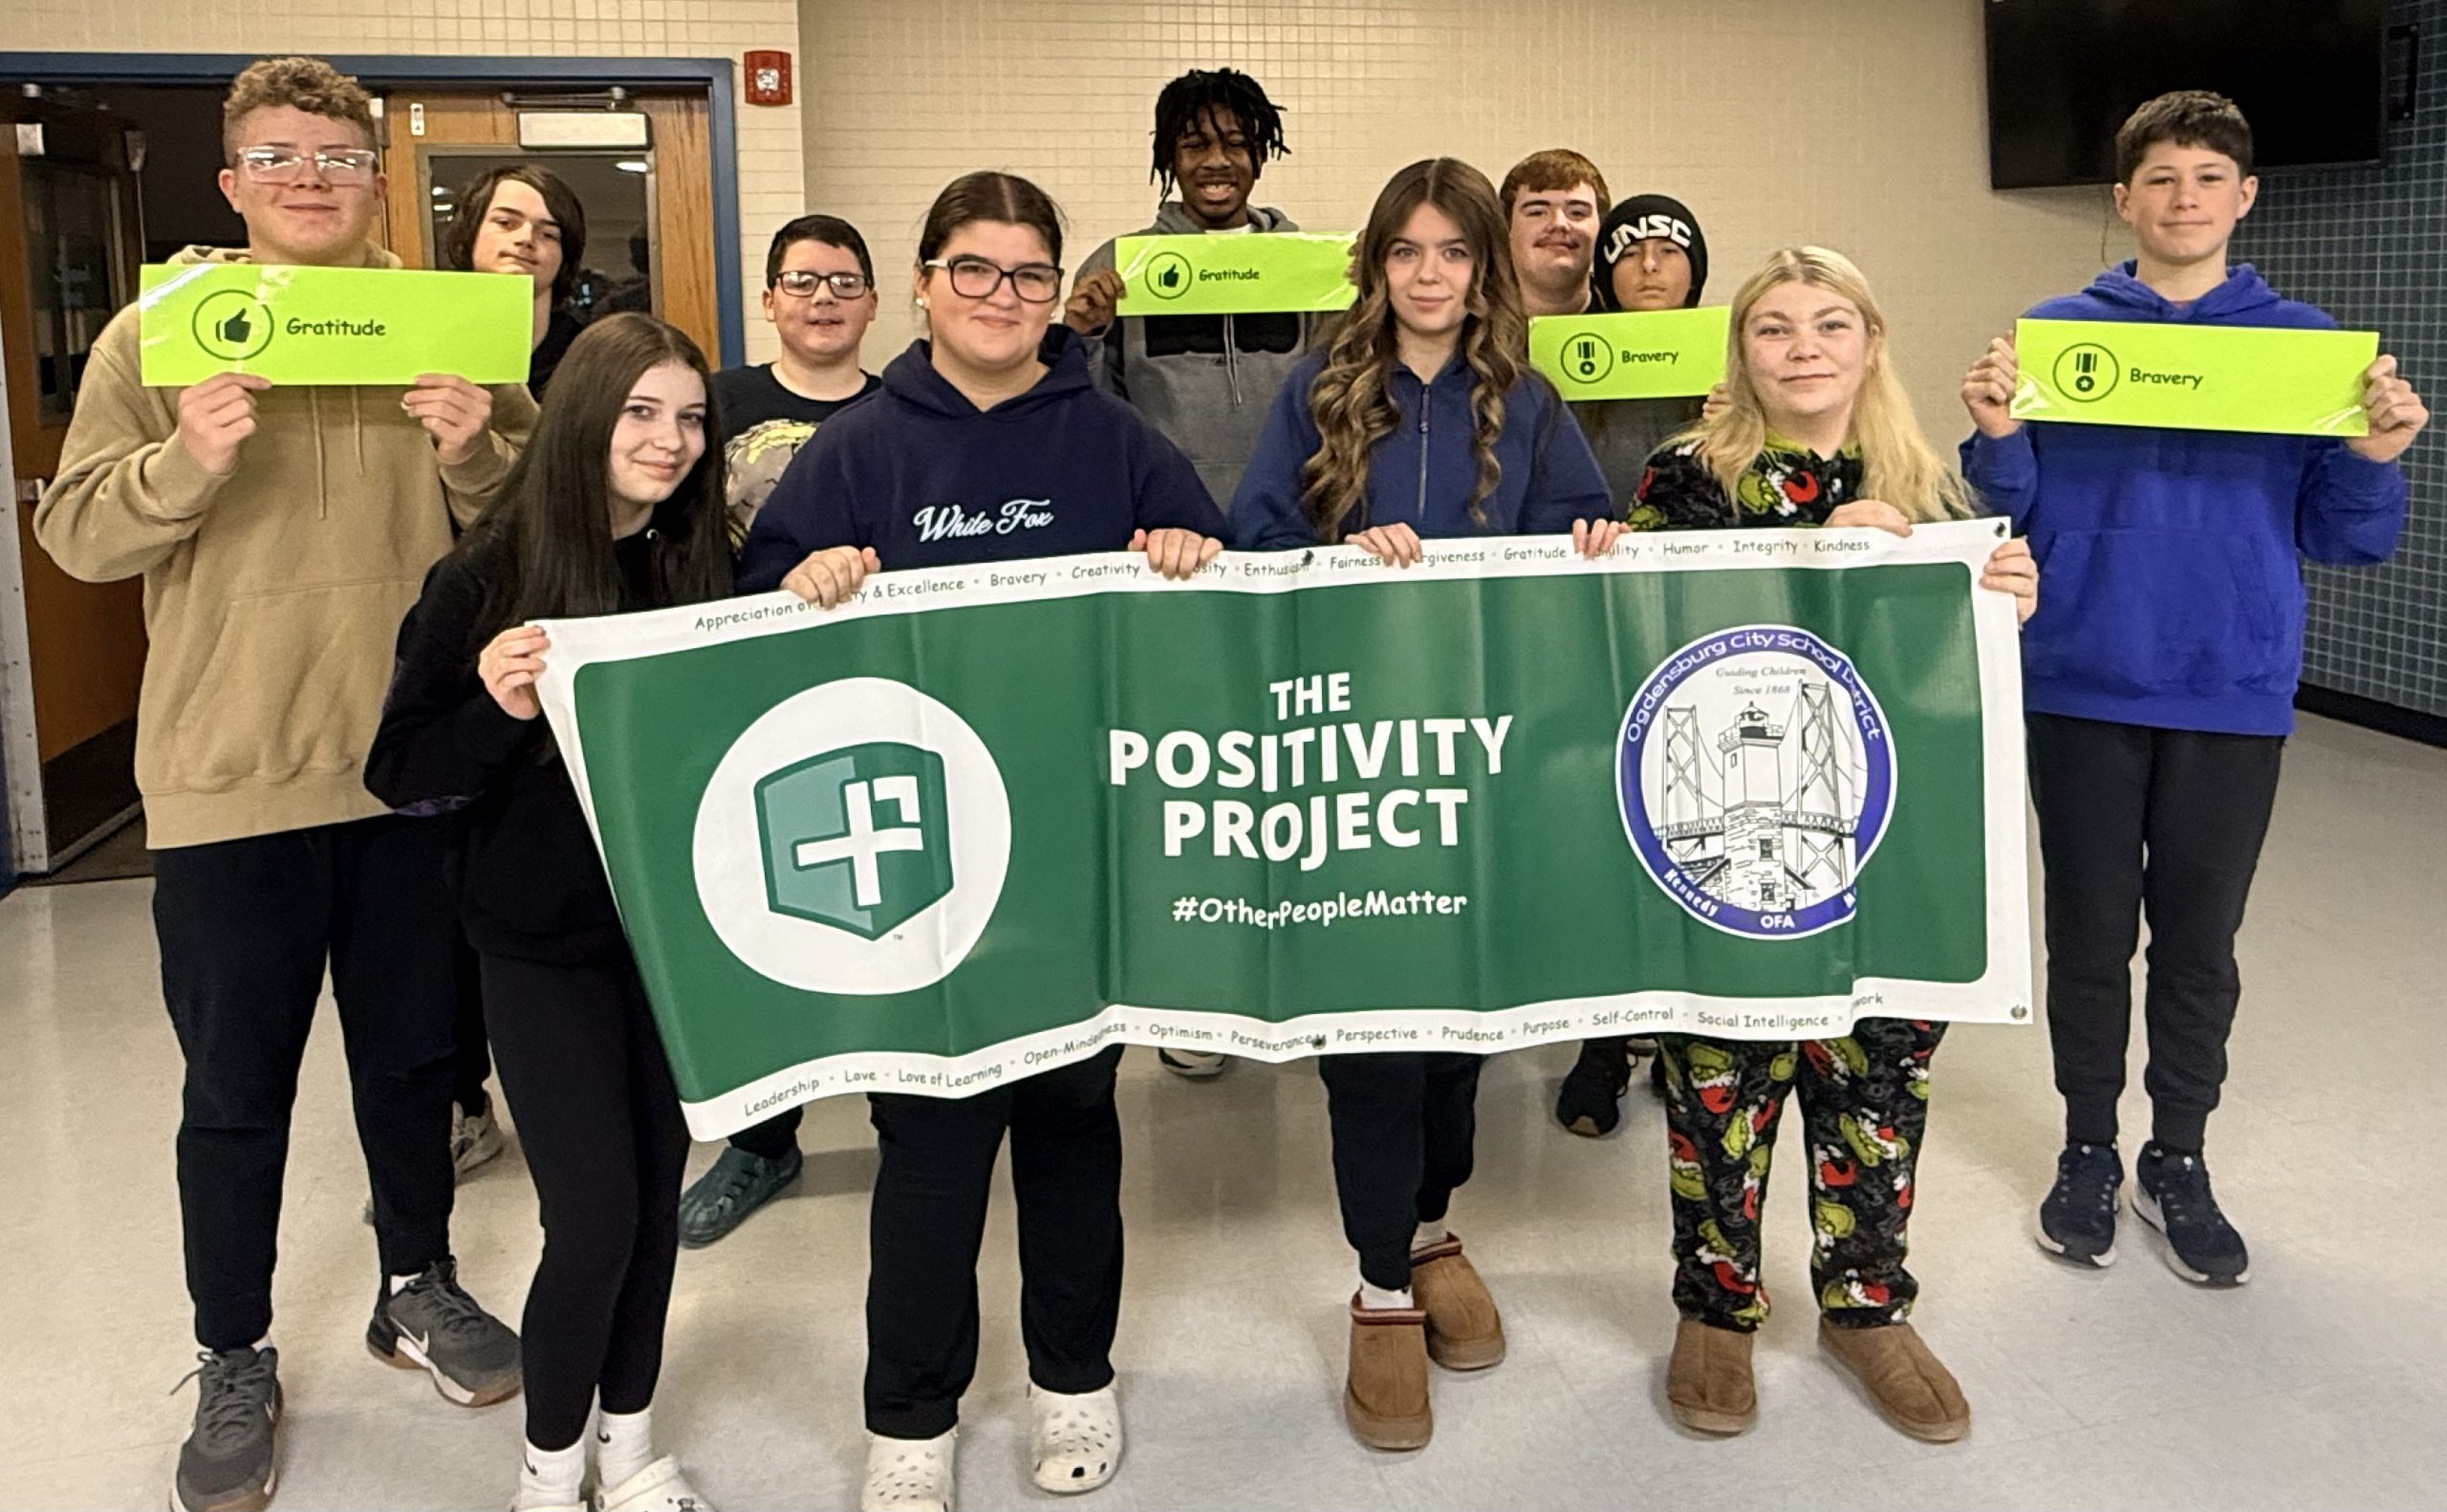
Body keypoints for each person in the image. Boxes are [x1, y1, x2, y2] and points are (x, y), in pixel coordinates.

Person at [32, 55, 531, 1512]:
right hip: (229, 778)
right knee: (235, 1091)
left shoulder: (441, 323)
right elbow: (73, 536)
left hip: (405, 772)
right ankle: (234, 1347)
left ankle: (416, 1283)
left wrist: (475, 445)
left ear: (379, 177)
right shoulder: (159, 333)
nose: (311, 175)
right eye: (279, 155)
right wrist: (184, 459)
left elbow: (519, 530)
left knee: (414, 1068)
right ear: (233, 179)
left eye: (337, 154)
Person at [739, 170, 1225, 1512]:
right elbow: (752, 625)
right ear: (925, 281)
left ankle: (1075, 1378)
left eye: (1026, 273)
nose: (1001, 297)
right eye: (974, 270)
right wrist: (804, 581)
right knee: (933, 1147)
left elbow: (1220, 588)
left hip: (1074, 847)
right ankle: (910, 1413)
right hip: (919, 859)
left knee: (1075, 1125)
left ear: (1054, 288)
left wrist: (1189, 546)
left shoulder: (1112, 434)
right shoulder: (860, 445)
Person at [1960, 91, 2425, 1286]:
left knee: (2200, 945)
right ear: (2124, 200)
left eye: (2206, 179)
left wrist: (2374, 457)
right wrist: (1997, 433)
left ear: (2243, 197)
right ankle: (2084, 1148)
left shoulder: (2304, 349)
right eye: (2160, 179)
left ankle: (2178, 1155)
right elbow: (2005, 513)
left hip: (2231, 686)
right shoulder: (2058, 334)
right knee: (2088, 936)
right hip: (2078, 679)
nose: (2183, 199)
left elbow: (2343, 537)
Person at [1231, 156, 1617, 1453]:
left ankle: (1433, 1220)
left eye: (1455, 253)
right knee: (1373, 1034)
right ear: (1378, 265)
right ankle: (1381, 1284)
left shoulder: (1532, 398)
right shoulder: (1320, 391)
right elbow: (1250, 544)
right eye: (1409, 252)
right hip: (1352, 757)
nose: (1433, 275)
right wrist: (1333, 555)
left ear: (1483, 269)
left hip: (1485, 755)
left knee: (1460, 1025)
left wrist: (1596, 546)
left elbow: (1579, 543)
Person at [1626, 245, 2038, 1446]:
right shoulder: (1685, 479)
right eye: (1773, 327)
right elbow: (1647, 645)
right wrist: (1822, 559)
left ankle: (1866, 1305)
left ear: (1871, 341)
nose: (1803, 346)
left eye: (1830, 323)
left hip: (1883, 845)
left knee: (1877, 1082)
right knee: (1720, 1082)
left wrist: (2000, 598)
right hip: (1722, 847)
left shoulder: (1940, 493)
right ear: (1740, 351)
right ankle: (1716, 1307)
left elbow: (1947, 683)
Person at [367, 312, 729, 1512]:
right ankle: (547, 1470)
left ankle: (627, 1450)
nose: (670, 440)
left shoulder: (690, 562)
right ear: (583, 414)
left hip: (670, 944)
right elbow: (402, 772)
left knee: (657, 1196)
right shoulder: (484, 571)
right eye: (641, 411)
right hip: (538, 948)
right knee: (594, 1218)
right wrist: (490, 707)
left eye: (688, 416)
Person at [1061, 65, 1304, 1079]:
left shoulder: (1313, 264)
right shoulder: (1118, 266)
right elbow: (1075, 413)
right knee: (1192, 782)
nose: (1216, 161)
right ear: (1169, 155)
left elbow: (1345, 396)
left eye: (1235, 141)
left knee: (1291, 767)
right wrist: (1076, 329)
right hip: (1173, 560)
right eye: (1195, 143)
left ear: (1259, 151)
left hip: (1291, 553)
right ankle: (1195, 993)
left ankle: (1292, 959)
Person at [674, 213, 885, 1249]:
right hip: (740, 684)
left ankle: (908, 1104)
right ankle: (761, 1139)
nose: (822, 299)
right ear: (768, 299)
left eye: (844, 282)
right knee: (759, 917)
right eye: (801, 281)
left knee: (888, 900)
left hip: (875, 690)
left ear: (875, 302)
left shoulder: (906, 410)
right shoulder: (713, 404)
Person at [1550, 190, 1716, 1138]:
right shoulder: (1565, 362)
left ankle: (1680, 1033)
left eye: (1670, 249)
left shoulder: (1736, 358)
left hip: (1697, 629)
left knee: (1687, 827)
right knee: (1600, 835)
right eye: (1632, 250)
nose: (1651, 264)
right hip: (1591, 625)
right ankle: (1600, 1043)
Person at [444, 162, 590, 401]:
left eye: (548, 234)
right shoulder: (433, 341)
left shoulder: (591, 358)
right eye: (505, 223)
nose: (526, 239)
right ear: (470, 232)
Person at [1499, 148, 1608, 320]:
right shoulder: (1465, 329)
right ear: (1506, 228)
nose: (1559, 223)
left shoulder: (1633, 320)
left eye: (1577, 212)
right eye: (1537, 212)